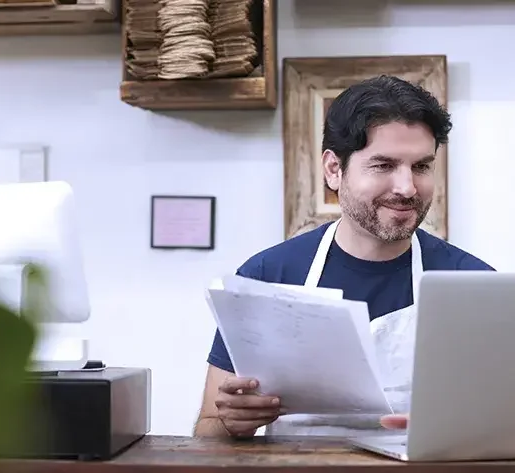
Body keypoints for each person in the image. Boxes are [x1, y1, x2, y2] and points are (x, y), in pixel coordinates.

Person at [193, 75, 495, 438]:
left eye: (421, 166)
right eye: (384, 166)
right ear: (334, 170)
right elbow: (209, 429)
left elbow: (505, 429)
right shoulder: (265, 275)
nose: (407, 188)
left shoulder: (475, 284)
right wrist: (230, 422)